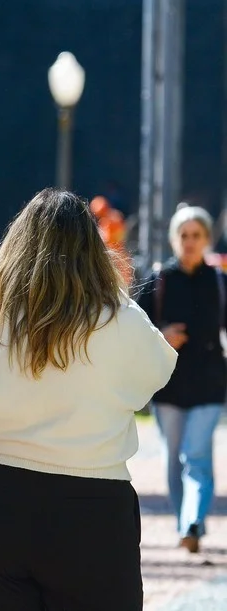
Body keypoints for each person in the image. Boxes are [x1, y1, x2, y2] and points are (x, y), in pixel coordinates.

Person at [0, 189, 177, 611]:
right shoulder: (121, 321)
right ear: (95, 253)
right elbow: (159, 371)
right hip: (93, 509)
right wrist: (109, 292)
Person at [137, 205, 227, 554]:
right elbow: (135, 332)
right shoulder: (158, 280)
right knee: (173, 457)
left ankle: (192, 521)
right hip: (168, 383)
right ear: (175, 239)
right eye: (183, 235)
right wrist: (162, 334)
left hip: (209, 382)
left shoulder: (219, 282)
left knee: (197, 453)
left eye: (197, 236)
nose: (189, 242)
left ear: (206, 239)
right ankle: (186, 522)